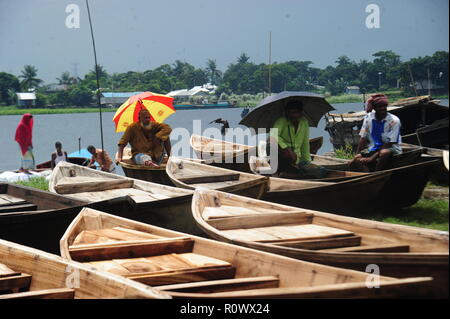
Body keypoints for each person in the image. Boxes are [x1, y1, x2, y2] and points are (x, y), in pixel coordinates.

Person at [268, 100, 325, 178]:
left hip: (297, 160)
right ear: (287, 113)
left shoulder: (304, 122)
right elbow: (272, 135)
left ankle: (289, 175)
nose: (293, 115)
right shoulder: (281, 121)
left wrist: (306, 162)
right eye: (291, 113)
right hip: (282, 158)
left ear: (301, 112)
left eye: (296, 112)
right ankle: (282, 174)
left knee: (321, 171)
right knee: (270, 144)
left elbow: (305, 144)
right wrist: (287, 149)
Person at [349, 94, 402, 172]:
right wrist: (356, 155)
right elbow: (363, 138)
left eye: (384, 106)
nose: (383, 108)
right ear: (374, 107)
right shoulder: (368, 118)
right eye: (380, 106)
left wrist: (372, 158)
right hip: (373, 149)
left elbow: (390, 142)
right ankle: (369, 176)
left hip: (391, 148)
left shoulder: (394, 120)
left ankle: (377, 173)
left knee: (384, 153)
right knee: (357, 159)